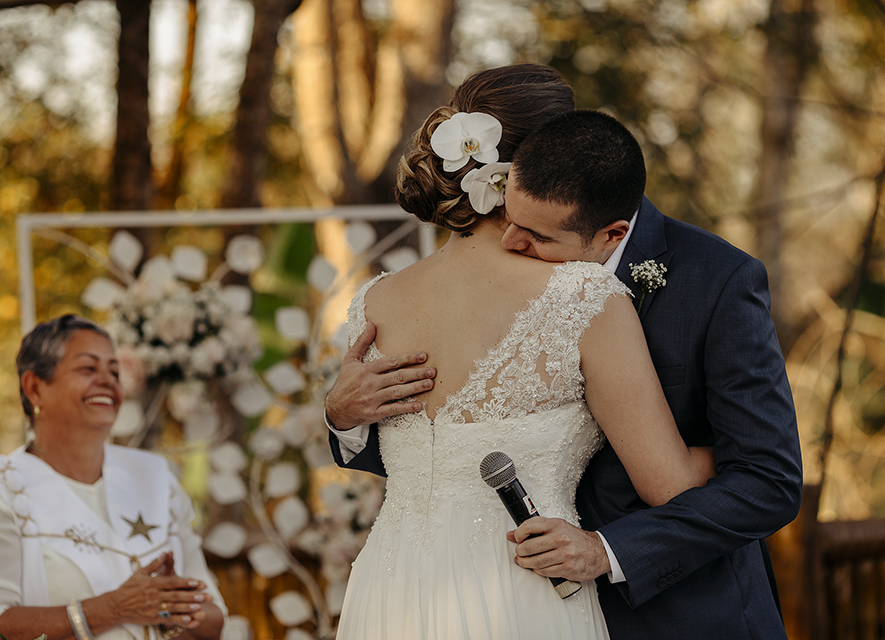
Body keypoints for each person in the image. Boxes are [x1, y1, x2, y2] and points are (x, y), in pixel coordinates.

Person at [327, 66, 803, 638]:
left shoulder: (716, 277)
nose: (512, 243)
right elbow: (439, 458)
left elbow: (768, 479)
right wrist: (342, 417)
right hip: (503, 594)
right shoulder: (573, 291)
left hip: (676, 613)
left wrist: (608, 549)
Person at [0, 315, 226, 640]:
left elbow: (215, 620)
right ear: (35, 388)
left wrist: (173, 604)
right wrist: (113, 608)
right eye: (88, 369)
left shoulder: (155, 478)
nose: (108, 381)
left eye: (115, 371)